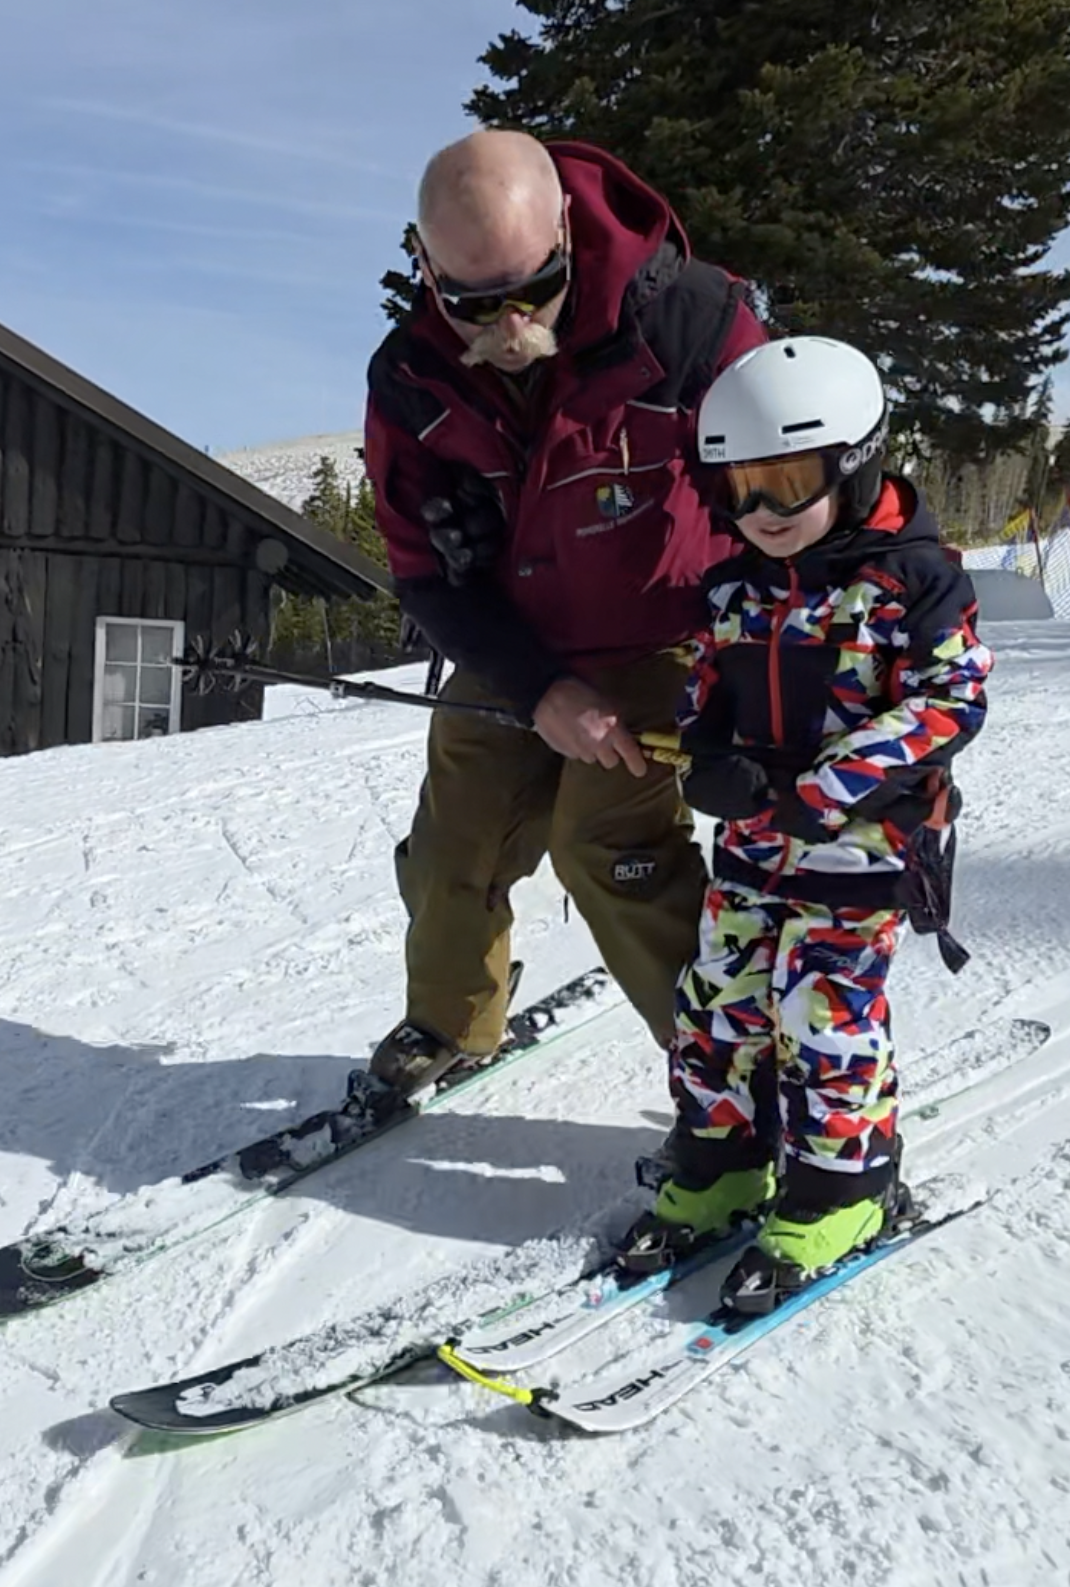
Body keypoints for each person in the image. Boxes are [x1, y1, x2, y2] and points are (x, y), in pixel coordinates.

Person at [357, 128, 767, 1103]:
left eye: (530, 291)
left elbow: (788, 511)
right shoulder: (411, 382)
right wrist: (540, 688)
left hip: (678, 633)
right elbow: (422, 574)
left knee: (606, 846)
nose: (507, 323)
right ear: (426, 266)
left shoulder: (692, 325)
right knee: (455, 827)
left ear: (568, 235)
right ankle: (453, 1017)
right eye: (472, 302)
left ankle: (743, 1080)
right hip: (524, 642)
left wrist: (750, 694)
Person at [615, 336, 991, 1313]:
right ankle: (722, 1164)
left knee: (818, 1014)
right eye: (736, 489)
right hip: (751, 853)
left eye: (788, 484)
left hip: (861, 854)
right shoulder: (735, 586)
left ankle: (843, 1190)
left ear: (857, 463)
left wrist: (822, 790)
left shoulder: (916, 581)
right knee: (719, 1000)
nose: (761, 514)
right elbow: (703, 692)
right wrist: (712, 763)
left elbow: (953, 700)